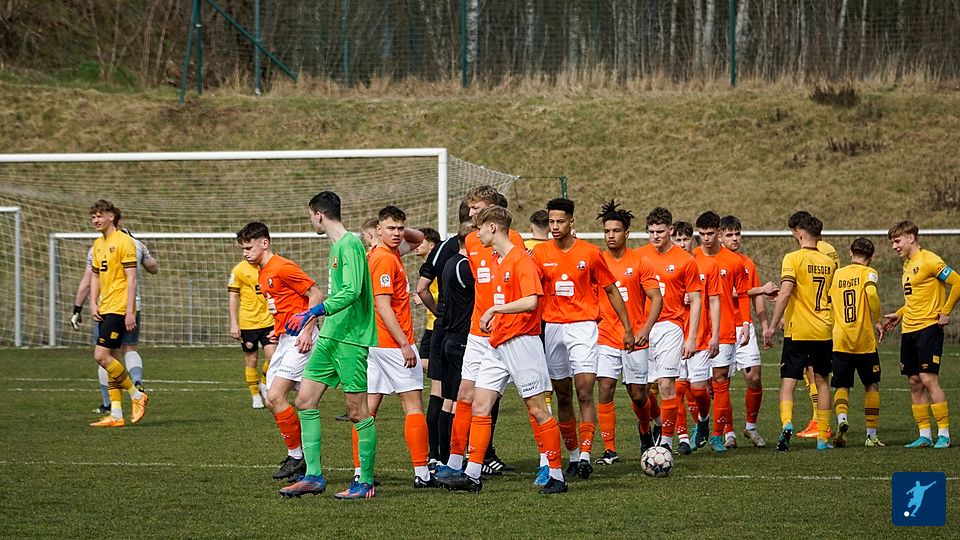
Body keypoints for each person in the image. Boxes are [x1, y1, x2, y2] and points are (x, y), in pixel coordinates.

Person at [440, 206, 567, 495]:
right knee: (480, 405)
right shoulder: (499, 261)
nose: (477, 234)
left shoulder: (521, 259)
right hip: (497, 343)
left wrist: (496, 310)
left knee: (538, 409)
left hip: (522, 342)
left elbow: (532, 301)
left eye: (480, 228)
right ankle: (472, 474)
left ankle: (556, 474)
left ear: (493, 228)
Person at [281, 191, 379, 499]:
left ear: (318, 214)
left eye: (310, 216)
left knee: (357, 412)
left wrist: (314, 311)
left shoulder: (350, 244)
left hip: (351, 339)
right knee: (304, 400)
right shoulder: (337, 246)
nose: (311, 221)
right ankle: (313, 476)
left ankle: (365, 482)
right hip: (330, 336)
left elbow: (352, 290)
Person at [533, 197, 634, 479]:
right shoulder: (540, 253)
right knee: (563, 395)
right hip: (553, 328)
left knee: (585, 390)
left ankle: (587, 455)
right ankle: (574, 455)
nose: (555, 226)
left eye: (560, 221)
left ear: (571, 222)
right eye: (551, 221)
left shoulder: (590, 253)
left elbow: (611, 290)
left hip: (583, 327)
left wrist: (627, 327)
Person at [437, 186, 523, 481]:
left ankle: (549, 465)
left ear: (492, 211)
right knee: (464, 394)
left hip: (507, 333)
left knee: (530, 400)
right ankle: (455, 461)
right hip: (477, 332)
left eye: (476, 208)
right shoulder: (471, 240)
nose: (470, 213)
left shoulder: (513, 241)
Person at [355, 205, 435, 489]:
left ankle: (360, 470)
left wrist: (398, 233)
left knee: (368, 408)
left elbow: (419, 238)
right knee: (413, 406)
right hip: (391, 343)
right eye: (390, 228)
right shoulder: (385, 260)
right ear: (378, 229)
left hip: (373, 341)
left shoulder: (383, 253)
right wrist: (404, 344)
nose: (398, 233)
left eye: (401, 228)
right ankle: (423, 473)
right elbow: (383, 305)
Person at [236, 222, 321, 481]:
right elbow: (285, 305)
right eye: (242, 249)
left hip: (301, 338)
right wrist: (278, 328)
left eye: (249, 247)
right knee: (271, 400)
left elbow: (316, 295)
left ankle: (297, 458)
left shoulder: (282, 266)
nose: (245, 253)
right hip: (285, 338)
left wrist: (307, 329)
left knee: (277, 395)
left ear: (265, 243)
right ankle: (299, 456)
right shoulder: (262, 273)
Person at [594, 201, 662, 465]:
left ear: (627, 233)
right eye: (607, 231)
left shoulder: (640, 262)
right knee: (605, 388)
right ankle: (610, 449)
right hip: (605, 336)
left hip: (635, 339)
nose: (611, 235)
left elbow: (656, 298)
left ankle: (645, 430)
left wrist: (646, 329)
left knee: (638, 394)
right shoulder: (597, 261)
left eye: (616, 230)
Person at [883, 220, 959, 449]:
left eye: (897, 241)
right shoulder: (907, 265)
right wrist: (899, 314)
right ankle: (924, 435)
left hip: (928, 328)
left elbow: (957, 283)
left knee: (928, 379)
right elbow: (914, 300)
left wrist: (946, 311)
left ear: (911, 238)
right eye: (892, 242)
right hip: (909, 330)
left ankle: (944, 434)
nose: (894, 246)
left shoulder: (930, 260)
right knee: (914, 382)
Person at [764, 215, 837, 451]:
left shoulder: (793, 258)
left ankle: (787, 423)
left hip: (797, 331)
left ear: (801, 233)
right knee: (822, 383)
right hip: (823, 330)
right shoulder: (830, 263)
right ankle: (823, 437)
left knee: (788, 382)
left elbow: (786, 292)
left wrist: (772, 325)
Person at [73, 218, 158, 414]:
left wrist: (78, 308)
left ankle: (112, 402)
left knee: (105, 355)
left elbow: (87, 281)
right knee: (129, 349)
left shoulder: (99, 248)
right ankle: (136, 384)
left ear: (112, 220)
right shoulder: (135, 243)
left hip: (110, 308)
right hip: (133, 306)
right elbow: (153, 267)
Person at [636, 208, 701, 452]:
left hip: (671, 326)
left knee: (666, 385)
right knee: (640, 390)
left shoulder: (685, 260)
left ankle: (665, 442)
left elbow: (696, 300)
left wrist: (691, 337)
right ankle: (655, 423)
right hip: (642, 327)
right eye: (651, 231)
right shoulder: (639, 256)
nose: (655, 236)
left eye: (660, 231)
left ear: (670, 230)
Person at [416, 202, 473, 470]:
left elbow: (422, 288)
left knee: (440, 393)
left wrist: (440, 313)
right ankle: (454, 457)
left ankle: (435, 455)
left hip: (440, 328)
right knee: (456, 397)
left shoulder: (441, 251)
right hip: (459, 330)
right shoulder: (467, 258)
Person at [694, 211, 756, 450]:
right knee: (696, 386)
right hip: (698, 330)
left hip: (726, 329)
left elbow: (743, 294)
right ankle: (702, 421)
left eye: (710, 233)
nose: (706, 238)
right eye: (702, 234)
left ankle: (718, 435)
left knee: (721, 381)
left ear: (718, 233)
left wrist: (746, 323)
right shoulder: (692, 258)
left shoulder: (734, 261)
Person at [86, 200, 149, 427]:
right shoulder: (97, 244)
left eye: (99, 215)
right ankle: (116, 414)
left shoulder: (125, 242)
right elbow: (95, 276)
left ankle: (136, 395)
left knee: (101, 356)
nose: (95, 220)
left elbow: (132, 279)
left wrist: (129, 310)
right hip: (105, 307)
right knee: (110, 358)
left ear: (111, 216)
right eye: (93, 216)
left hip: (119, 308)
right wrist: (93, 302)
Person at [718, 215, 778, 447]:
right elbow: (729, 292)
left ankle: (751, 427)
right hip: (721, 328)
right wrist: (760, 289)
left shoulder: (747, 263)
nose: (734, 238)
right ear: (720, 236)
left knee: (754, 377)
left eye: (737, 234)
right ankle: (728, 432)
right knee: (722, 381)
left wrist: (765, 326)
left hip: (744, 327)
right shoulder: (716, 262)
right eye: (729, 235)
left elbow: (756, 297)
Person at [787, 211, 840, 439]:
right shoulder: (828, 252)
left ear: (800, 230)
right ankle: (818, 421)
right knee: (817, 375)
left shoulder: (814, 252)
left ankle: (820, 422)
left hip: (809, 322)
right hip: (824, 320)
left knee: (813, 375)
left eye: (794, 232)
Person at [829, 237, 885, 448]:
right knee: (871, 385)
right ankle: (871, 435)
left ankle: (842, 419)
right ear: (871, 258)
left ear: (850, 253)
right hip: (864, 340)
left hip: (840, 339)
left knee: (841, 385)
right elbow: (871, 292)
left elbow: (830, 301)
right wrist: (878, 320)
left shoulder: (837, 274)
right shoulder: (869, 273)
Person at [681, 221, 723, 454]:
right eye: (677, 239)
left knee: (698, 389)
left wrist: (715, 335)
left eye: (685, 239)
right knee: (677, 388)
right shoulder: (666, 265)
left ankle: (703, 419)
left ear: (692, 240)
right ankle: (680, 438)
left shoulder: (708, 264)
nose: (681, 243)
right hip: (673, 335)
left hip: (699, 335)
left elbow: (715, 300)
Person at [413, 227, 444, 467]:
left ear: (432, 245)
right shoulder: (428, 265)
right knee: (432, 374)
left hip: (438, 327)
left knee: (437, 381)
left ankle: (437, 452)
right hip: (432, 327)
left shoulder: (436, 265)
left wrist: (431, 306)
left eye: (421, 242)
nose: (417, 246)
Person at [228, 257, 276, 409]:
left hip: (269, 320)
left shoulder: (269, 266)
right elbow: (233, 296)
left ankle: (264, 383)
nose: (247, 253)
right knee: (252, 359)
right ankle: (255, 395)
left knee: (274, 357)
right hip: (248, 322)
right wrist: (234, 323)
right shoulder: (239, 270)